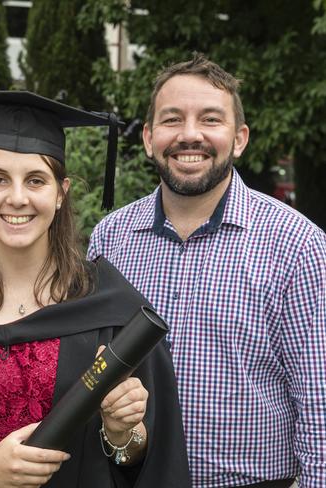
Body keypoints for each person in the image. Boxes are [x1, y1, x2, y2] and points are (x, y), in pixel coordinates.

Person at [0, 91, 190, 487]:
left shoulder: (111, 308)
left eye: (36, 180)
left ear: (60, 193)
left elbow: (148, 458)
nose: (17, 198)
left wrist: (121, 432)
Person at [88, 54, 326, 488]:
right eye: (172, 120)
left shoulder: (296, 245)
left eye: (210, 120)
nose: (190, 135)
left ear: (239, 139)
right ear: (148, 137)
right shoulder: (111, 239)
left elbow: (319, 400)